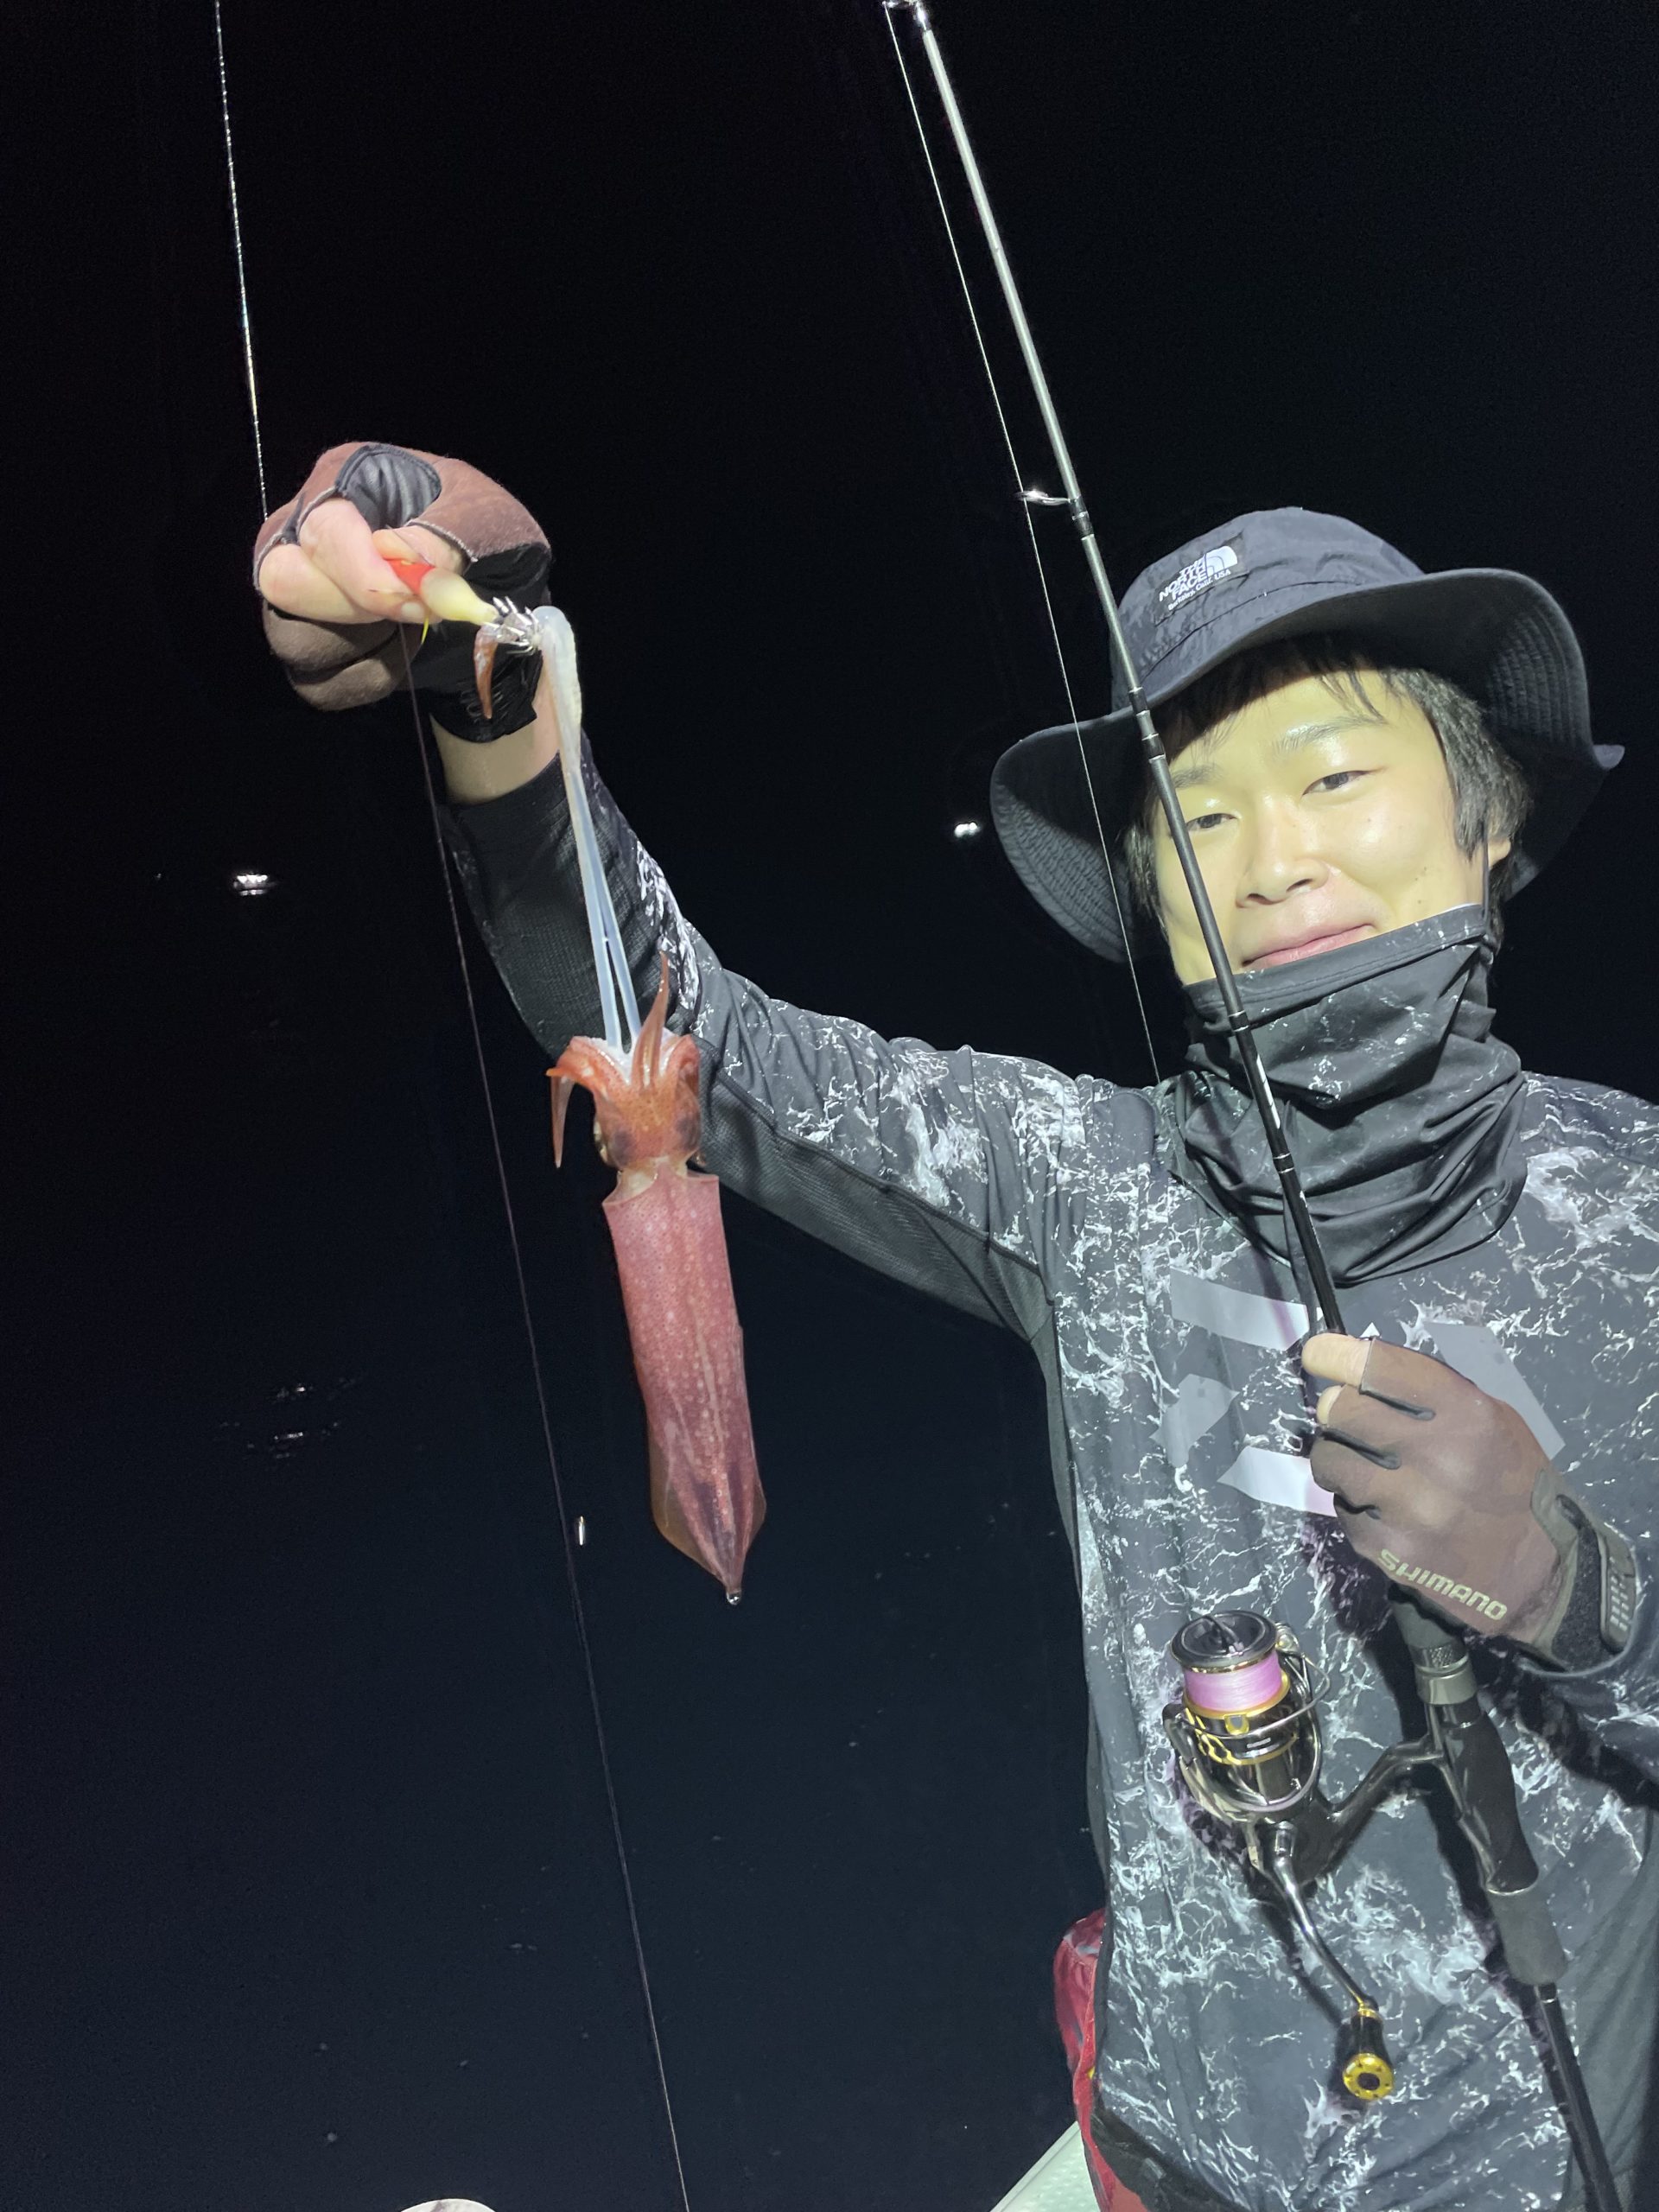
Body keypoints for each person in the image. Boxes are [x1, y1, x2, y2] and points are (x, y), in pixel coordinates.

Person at [256, 444, 1659, 2212]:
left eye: (1333, 772)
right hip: (1157, 2158)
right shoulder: (1090, 1185)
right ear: (1152, 893)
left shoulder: (1637, 1217)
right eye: (1198, 815)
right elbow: (685, 1042)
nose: (1273, 856)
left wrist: (1579, 1594)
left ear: (1490, 817)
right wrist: (495, 693)